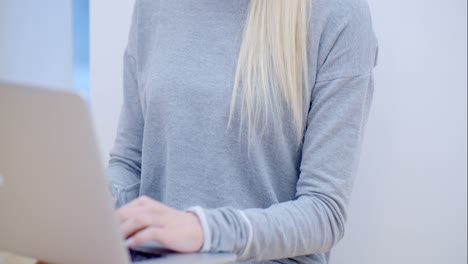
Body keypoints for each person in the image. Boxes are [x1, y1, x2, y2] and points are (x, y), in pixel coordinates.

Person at [107, 0, 379, 263]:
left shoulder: (340, 13)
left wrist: (204, 230)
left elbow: (324, 212)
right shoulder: (152, 6)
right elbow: (130, 165)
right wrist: (91, 206)